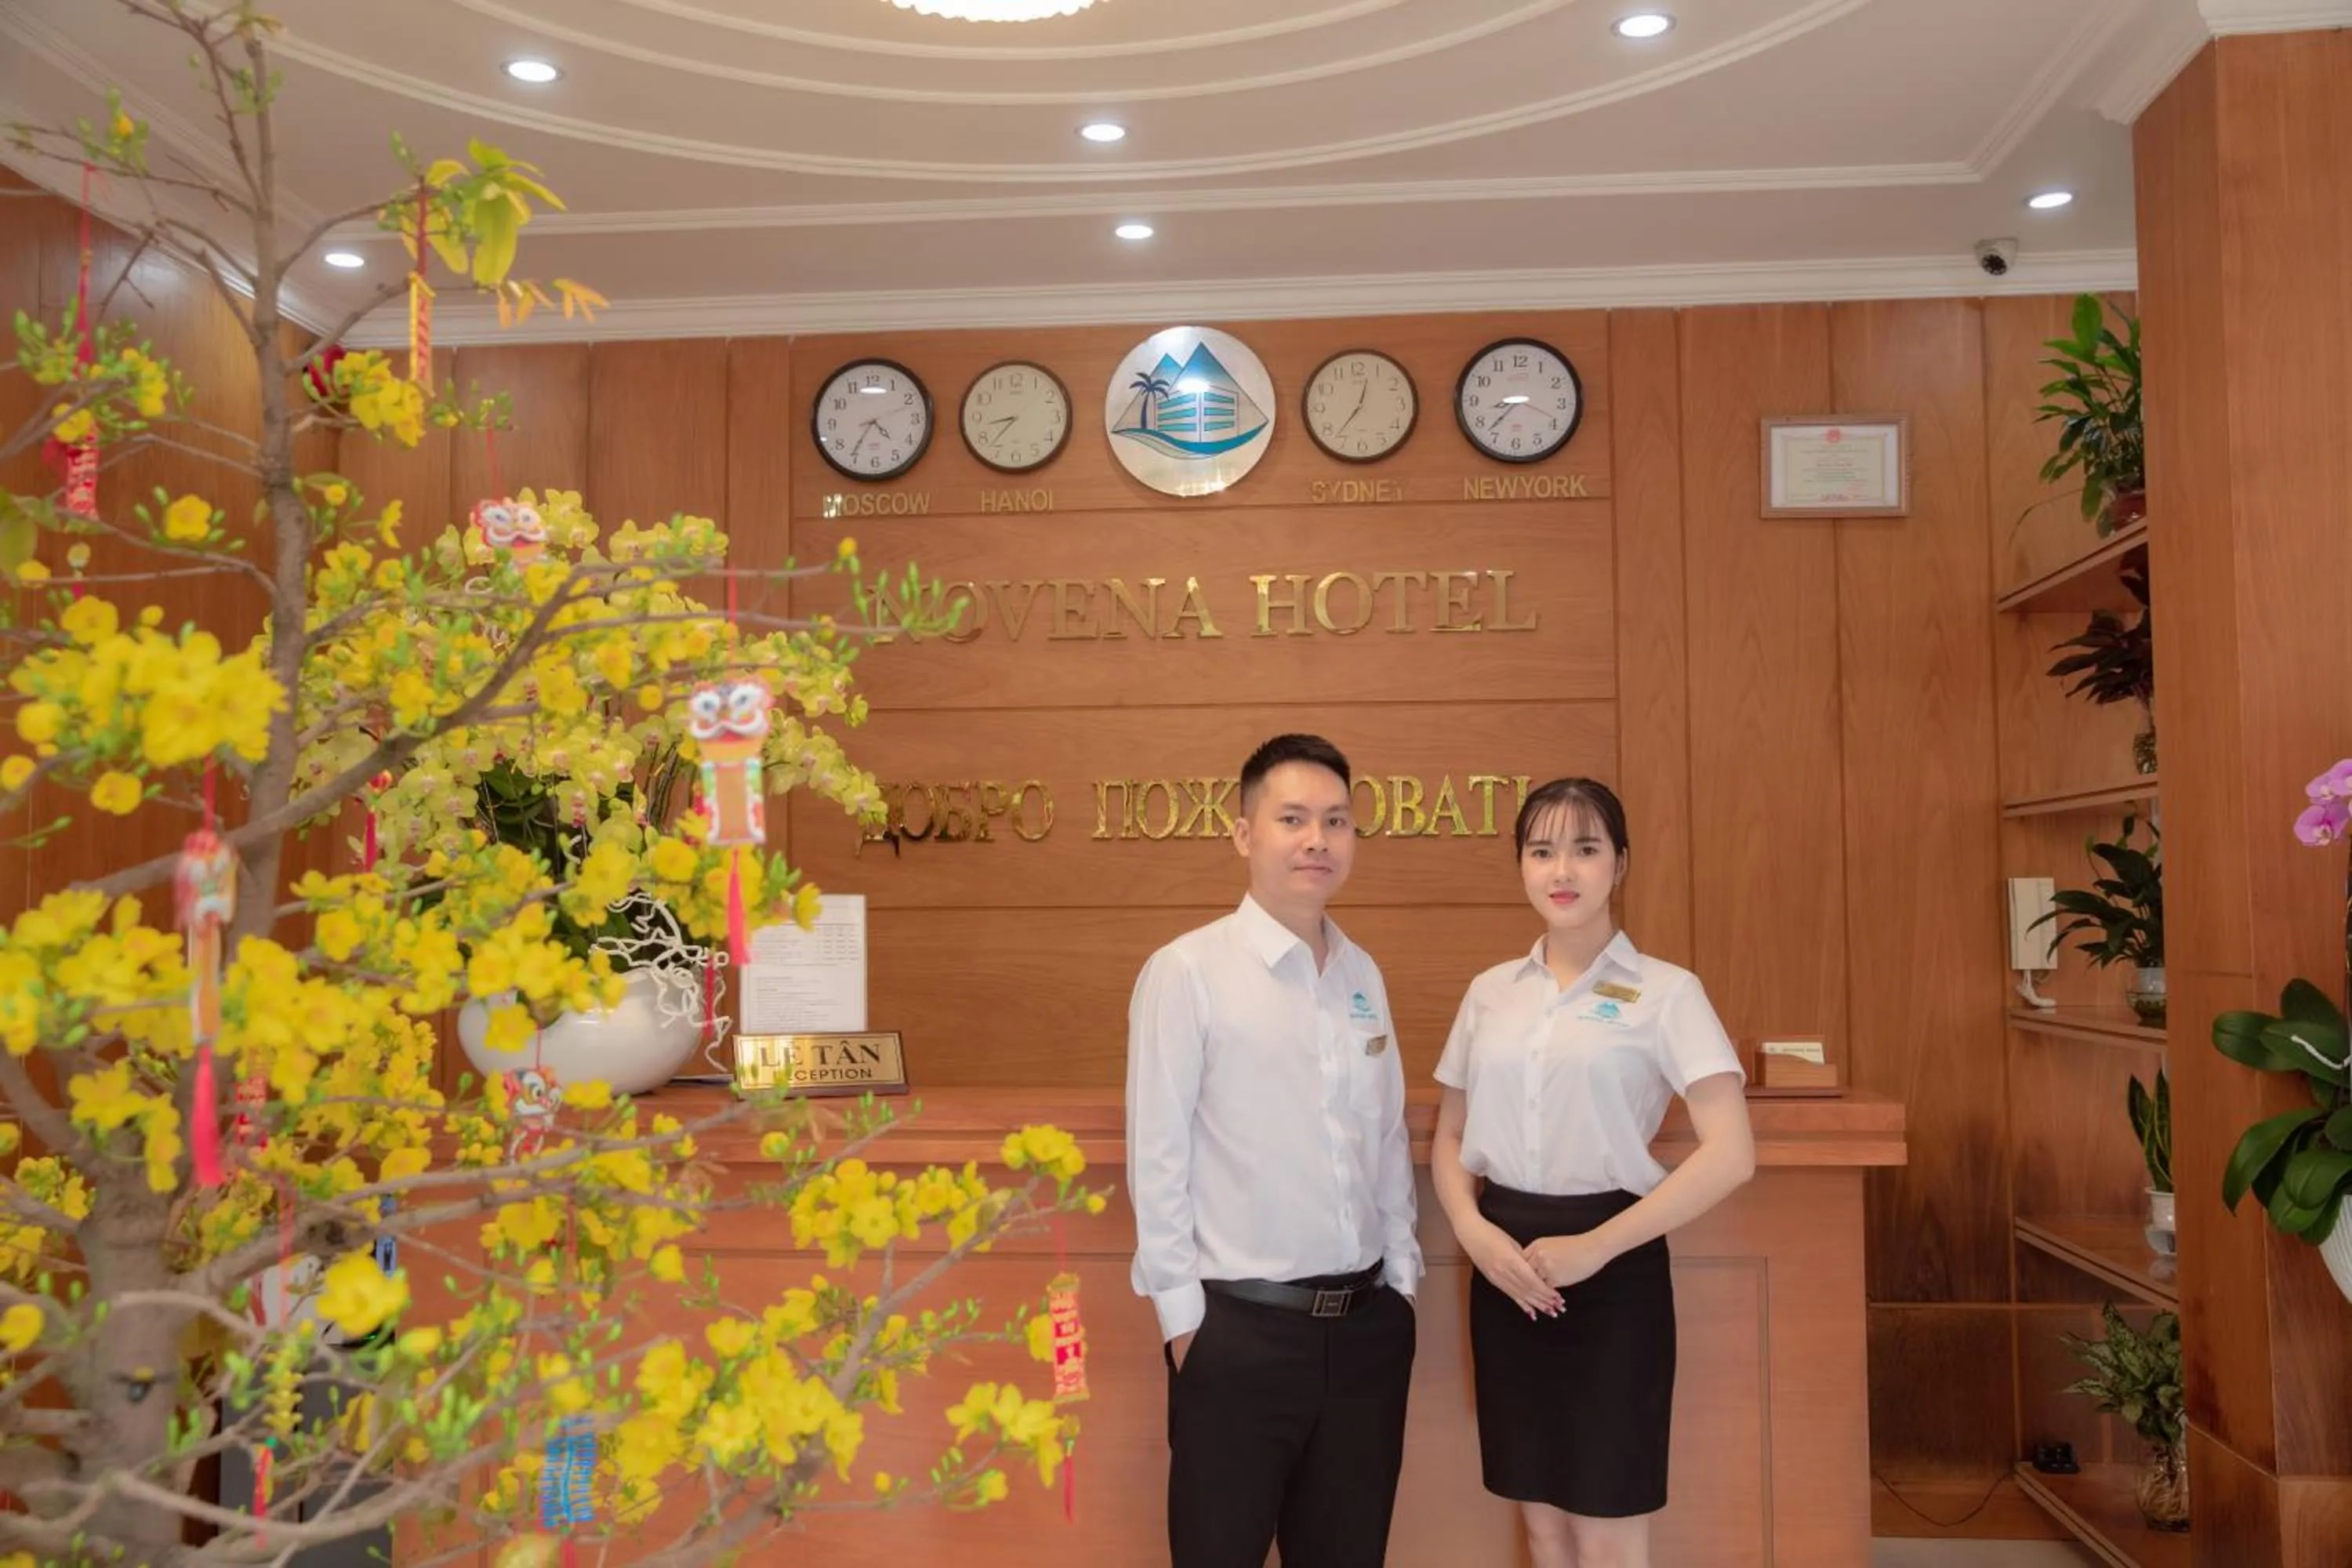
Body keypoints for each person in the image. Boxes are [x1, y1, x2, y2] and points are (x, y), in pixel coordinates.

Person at [1431, 777, 1755, 1568]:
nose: (1561, 869)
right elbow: (1450, 1136)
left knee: (1608, 1521)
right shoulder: (1489, 994)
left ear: (1620, 862)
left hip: (1613, 1272)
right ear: (1521, 864)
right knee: (1540, 1518)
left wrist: (1595, 1246)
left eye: (1585, 847)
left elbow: (1731, 1151)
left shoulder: (1667, 991)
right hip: (1506, 1269)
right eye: (1541, 850)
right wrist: (1475, 1233)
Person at [1125, 732, 1421, 1568]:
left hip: (1366, 1334)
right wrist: (1186, 1326)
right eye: (1292, 817)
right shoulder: (1187, 971)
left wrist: (1401, 1282)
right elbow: (1158, 1156)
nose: (1316, 838)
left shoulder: (1363, 973)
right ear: (1243, 831)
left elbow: (1387, 1138)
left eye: (1335, 819)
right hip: (1237, 1335)